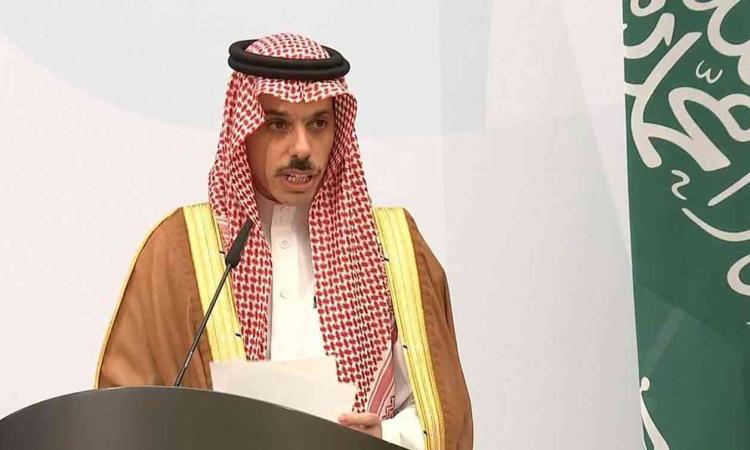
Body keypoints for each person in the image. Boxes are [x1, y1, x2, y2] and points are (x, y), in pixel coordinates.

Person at [96, 33, 472, 450]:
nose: (302, 148)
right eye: (278, 124)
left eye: (318, 124)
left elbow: (440, 415)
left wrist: (383, 437)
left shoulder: (394, 248)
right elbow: (123, 414)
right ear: (243, 132)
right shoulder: (178, 250)